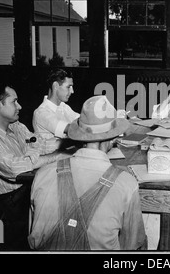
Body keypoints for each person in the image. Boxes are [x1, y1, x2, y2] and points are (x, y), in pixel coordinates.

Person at [28, 95, 148, 250]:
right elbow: (133, 244)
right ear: (112, 138)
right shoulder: (126, 184)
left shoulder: (42, 174)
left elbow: (33, 237)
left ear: (80, 135)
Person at [0, 82, 63, 249]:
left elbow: (40, 144)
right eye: (14, 101)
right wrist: (57, 155)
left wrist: (69, 144)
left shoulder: (15, 126)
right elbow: (16, 168)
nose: (19, 106)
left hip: (26, 191)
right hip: (10, 205)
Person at [32, 69, 80, 141]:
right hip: (48, 152)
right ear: (55, 86)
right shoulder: (41, 113)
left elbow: (82, 120)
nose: (72, 91)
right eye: (68, 87)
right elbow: (70, 128)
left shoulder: (64, 107)